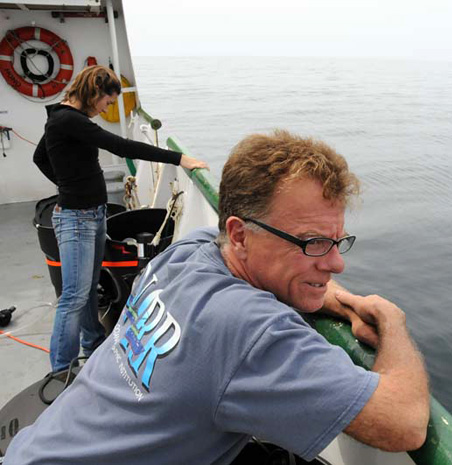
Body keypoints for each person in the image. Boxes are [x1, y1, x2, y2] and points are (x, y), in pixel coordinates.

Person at [5, 130, 429, 464]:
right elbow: (406, 423)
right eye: (313, 242)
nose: (337, 264)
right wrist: (390, 319)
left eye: (338, 242)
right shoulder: (251, 331)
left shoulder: (192, 250)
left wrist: (341, 301)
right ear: (241, 234)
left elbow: (288, 277)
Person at [32, 65, 208, 374]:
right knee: (74, 295)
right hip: (77, 219)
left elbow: (39, 158)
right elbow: (121, 146)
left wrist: (67, 181)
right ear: (95, 92)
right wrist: (178, 158)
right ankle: (61, 371)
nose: (107, 108)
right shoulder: (69, 120)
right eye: (108, 102)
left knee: (86, 290)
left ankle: (93, 344)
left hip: (91, 216)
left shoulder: (63, 119)